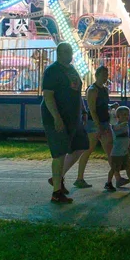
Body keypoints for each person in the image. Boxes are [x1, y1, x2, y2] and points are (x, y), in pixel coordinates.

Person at [41, 42, 88, 204]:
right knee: (60, 153)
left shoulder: (72, 70)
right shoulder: (52, 71)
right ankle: (56, 192)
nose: (70, 54)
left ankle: (57, 178)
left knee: (81, 145)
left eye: (71, 51)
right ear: (59, 53)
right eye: (67, 51)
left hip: (73, 117)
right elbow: (48, 96)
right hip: (57, 118)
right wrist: (56, 118)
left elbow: (77, 93)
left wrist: (83, 110)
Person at [74, 65, 119, 188]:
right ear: (97, 75)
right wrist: (98, 125)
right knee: (89, 150)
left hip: (103, 122)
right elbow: (92, 110)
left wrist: (110, 106)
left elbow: (101, 106)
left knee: (109, 149)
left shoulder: (104, 90)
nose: (105, 77)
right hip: (95, 123)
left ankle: (117, 177)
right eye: (103, 74)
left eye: (106, 74)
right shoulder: (92, 90)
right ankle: (79, 178)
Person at [106, 106, 130, 191]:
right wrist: (121, 124)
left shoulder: (126, 125)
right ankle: (108, 183)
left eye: (128, 115)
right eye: (124, 115)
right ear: (118, 116)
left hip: (124, 151)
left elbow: (126, 137)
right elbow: (115, 128)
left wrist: (127, 146)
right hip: (117, 153)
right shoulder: (116, 125)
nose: (126, 117)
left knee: (128, 168)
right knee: (114, 169)